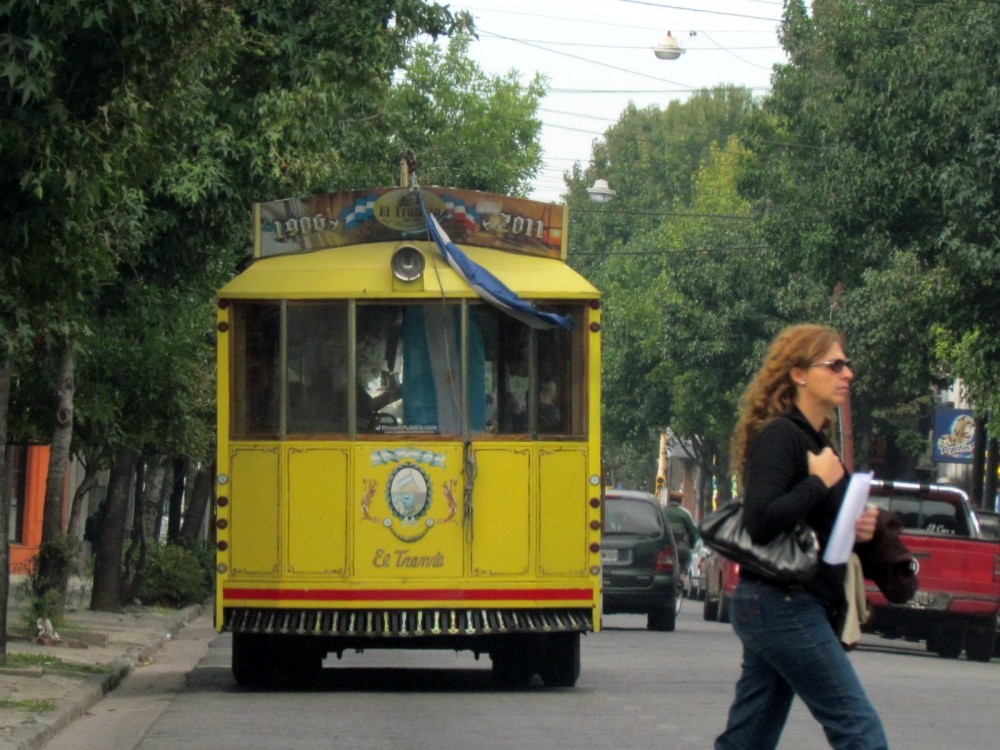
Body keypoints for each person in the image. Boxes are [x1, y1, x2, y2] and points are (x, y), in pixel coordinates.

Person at [714, 324, 886, 750]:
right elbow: (761, 520)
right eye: (835, 365)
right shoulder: (781, 436)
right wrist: (819, 483)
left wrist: (858, 527)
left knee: (749, 740)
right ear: (799, 374)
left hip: (786, 602)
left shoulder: (816, 440)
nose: (847, 373)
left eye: (846, 365)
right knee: (861, 733)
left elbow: (815, 527)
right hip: (783, 603)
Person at [662, 490, 698, 577]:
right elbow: (692, 532)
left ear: (669, 500)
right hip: (680, 547)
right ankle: (682, 576)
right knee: (687, 558)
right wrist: (691, 545)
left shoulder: (662, 512)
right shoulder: (685, 513)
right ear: (680, 501)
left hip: (664, 548)